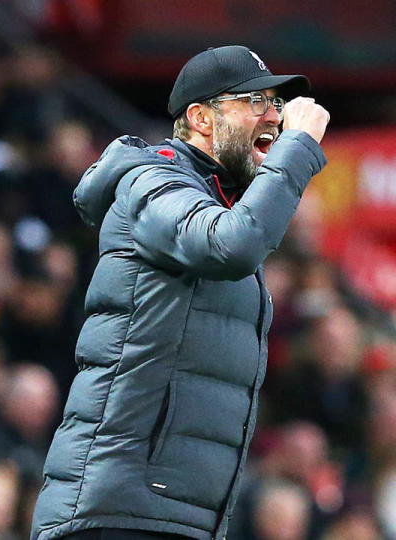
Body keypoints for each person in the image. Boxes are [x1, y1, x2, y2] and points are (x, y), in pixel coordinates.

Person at [30, 46, 330, 540]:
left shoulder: (213, 199)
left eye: (278, 104)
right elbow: (232, 246)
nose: (275, 116)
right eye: (257, 101)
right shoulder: (154, 181)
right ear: (200, 118)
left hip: (174, 515)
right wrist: (297, 148)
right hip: (118, 511)